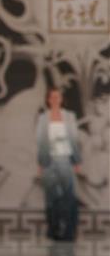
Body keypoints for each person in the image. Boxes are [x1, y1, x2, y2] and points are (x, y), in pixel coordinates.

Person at [37, 88, 81, 241]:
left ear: (61, 99)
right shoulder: (43, 118)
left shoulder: (69, 117)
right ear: (48, 99)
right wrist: (40, 163)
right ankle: (53, 229)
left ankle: (70, 230)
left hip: (65, 159)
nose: (55, 99)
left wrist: (76, 160)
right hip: (49, 160)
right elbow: (41, 142)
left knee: (69, 196)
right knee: (51, 197)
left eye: (58, 97)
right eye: (52, 97)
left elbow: (74, 140)